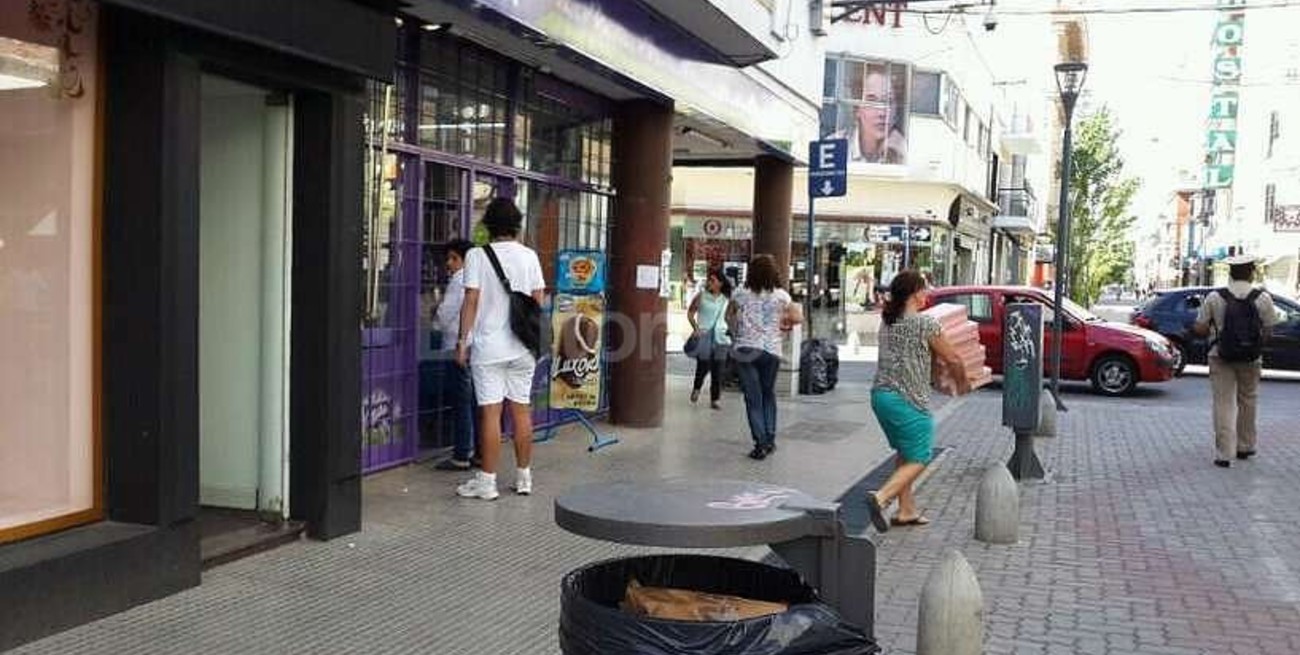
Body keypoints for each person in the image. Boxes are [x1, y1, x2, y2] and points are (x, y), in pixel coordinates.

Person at [455, 198, 547, 500]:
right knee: (522, 411)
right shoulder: (530, 256)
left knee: (491, 415)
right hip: (523, 347)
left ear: (489, 225)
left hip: (489, 348)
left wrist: (462, 342)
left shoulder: (476, 256)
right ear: (517, 225)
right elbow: (538, 301)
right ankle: (524, 478)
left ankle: (487, 483)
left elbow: (471, 300)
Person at [865, 270, 969, 532]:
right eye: (924, 290)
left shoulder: (888, 321)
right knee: (921, 457)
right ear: (913, 293)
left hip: (881, 397)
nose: (927, 294)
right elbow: (953, 358)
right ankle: (881, 497)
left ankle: (906, 510)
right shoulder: (925, 324)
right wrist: (963, 383)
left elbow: (923, 357)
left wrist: (936, 377)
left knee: (905, 452)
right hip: (907, 400)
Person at [1192, 254, 1275, 468]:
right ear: (1251, 272)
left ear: (1230, 273)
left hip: (1220, 356)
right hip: (1251, 359)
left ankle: (1223, 454)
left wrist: (1212, 329)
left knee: (1223, 403)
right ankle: (1245, 446)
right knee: (1248, 400)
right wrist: (1252, 345)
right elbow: (1268, 330)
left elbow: (1200, 328)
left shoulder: (1214, 297)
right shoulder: (1262, 298)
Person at [726, 254, 802, 460]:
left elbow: (728, 316)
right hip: (771, 350)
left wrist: (736, 333)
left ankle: (760, 443)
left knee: (753, 399)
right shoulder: (781, 296)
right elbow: (798, 317)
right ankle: (770, 438)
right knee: (768, 394)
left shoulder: (740, 293)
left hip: (745, 350)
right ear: (773, 273)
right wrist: (783, 325)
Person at [434, 239, 477, 471]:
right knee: (475, 402)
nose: (449, 263)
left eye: (454, 258)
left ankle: (461, 453)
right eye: (448, 258)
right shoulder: (479, 280)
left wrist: (434, 316)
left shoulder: (459, 281)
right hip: (476, 347)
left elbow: (445, 315)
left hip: (458, 347)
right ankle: (477, 452)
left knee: (462, 403)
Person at [687, 268, 732, 410]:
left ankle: (715, 399)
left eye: (713, 280)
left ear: (720, 283)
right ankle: (697, 387)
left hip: (721, 337)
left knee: (718, 369)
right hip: (704, 335)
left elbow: (731, 317)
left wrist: (732, 329)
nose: (709, 283)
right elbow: (690, 312)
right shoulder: (701, 296)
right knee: (703, 365)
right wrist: (696, 328)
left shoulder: (727, 299)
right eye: (709, 280)